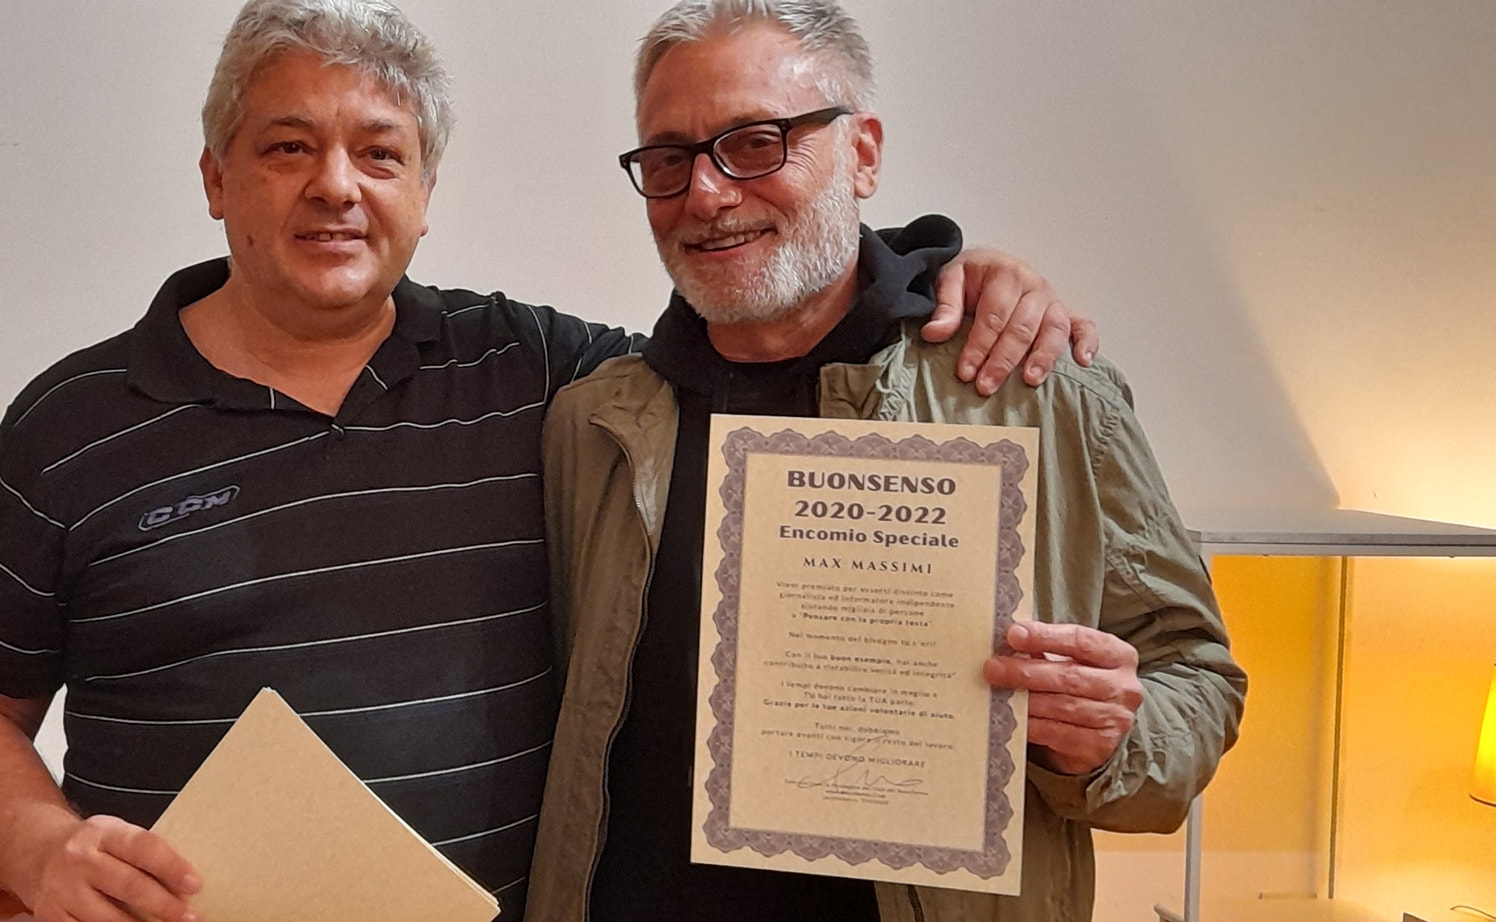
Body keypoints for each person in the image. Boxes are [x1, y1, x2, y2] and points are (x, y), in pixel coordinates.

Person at [0, 2, 1094, 922]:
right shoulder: (72, 422)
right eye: (285, 146)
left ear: (424, 193)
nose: (334, 186)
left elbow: (760, 343)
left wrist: (933, 279)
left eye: (379, 154)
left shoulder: (539, 374)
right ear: (215, 178)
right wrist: (39, 849)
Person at [524, 2, 1246, 921]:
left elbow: (1197, 680)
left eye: (756, 143)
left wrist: (1111, 739)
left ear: (862, 154)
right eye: (670, 159)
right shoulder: (591, 427)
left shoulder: (1038, 393)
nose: (706, 194)